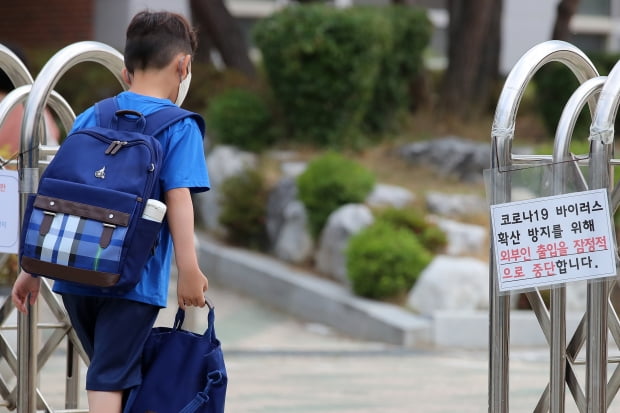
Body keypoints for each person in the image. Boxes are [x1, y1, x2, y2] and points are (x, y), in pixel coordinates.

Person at [11, 11, 210, 413]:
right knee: (110, 373)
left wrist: (31, 268)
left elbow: (63, 193)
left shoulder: (92, 116)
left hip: (75, 275)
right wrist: (189, 270)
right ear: (183, 65)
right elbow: (180, 199)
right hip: (133, 283)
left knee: (112, 368)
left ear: (124, 70)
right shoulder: (179, 127)